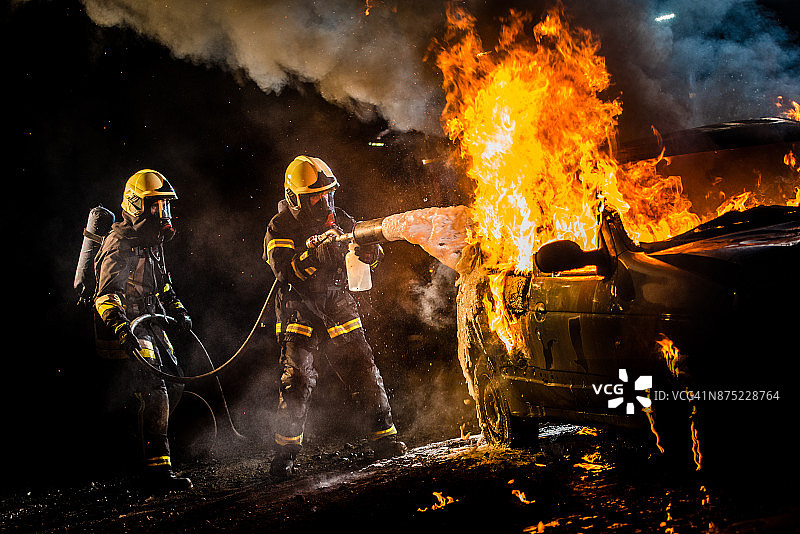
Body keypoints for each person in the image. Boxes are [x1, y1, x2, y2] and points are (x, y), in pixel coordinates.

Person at [264, 155, 406, 477]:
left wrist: (371, 253)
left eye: (328, 193)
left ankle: (385, 439)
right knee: (297, 380)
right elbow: (284, 271)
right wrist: (314, 256)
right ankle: (285, 456)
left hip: (337, 303)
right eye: (316, 196)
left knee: (363, 367)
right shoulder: (280, 226)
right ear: (296, 199)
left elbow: (370, 256)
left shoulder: (339, 218)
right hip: (299, 308)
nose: (325, 201)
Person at [93, 169, 193, 491]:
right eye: (156, 206)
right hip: (129, 324)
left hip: (151, 318)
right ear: (136, 206)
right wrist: (122, 329)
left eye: (165, 206)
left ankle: (141, 447)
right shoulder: (119, 242)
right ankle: (156, 472)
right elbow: (106, 295)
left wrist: (178, 310)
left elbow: (163, 285)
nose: (163, 213)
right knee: (155, 387)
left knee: (174, 382)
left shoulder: (153, 241)